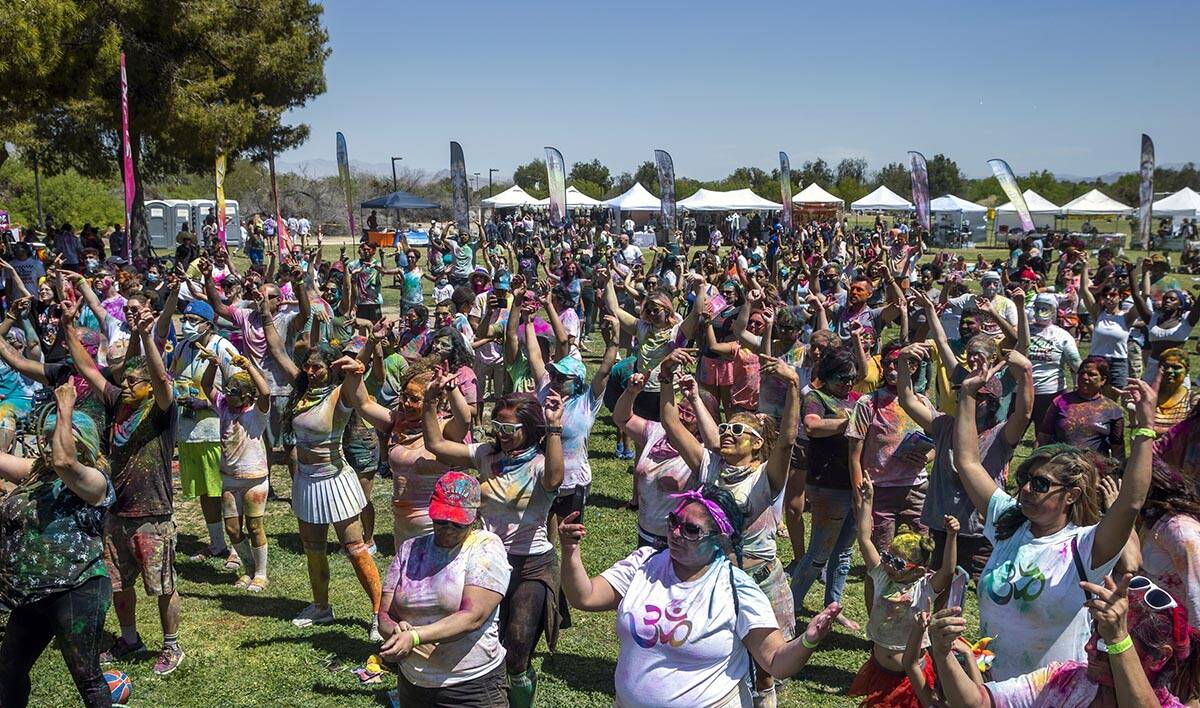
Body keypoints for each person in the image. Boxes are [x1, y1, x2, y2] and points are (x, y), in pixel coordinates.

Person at [954, 361, 1156, 680]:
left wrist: (1145, 428)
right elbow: (967, 462)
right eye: (1026, 479)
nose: (1026, 490)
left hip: (1057, 692)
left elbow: (1131, 502)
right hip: (993, 688)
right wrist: (965, 395)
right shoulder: (1010, 522)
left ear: (1072, 495)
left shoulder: (1087, 546)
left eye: (1041, 484)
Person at [558, 483, 842, 708]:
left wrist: (808, 639)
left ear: (719, 539)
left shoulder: (736, 589)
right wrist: (570, 551)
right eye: (673, 521)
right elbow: (586, 597)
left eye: (691, 529)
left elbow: (777, 661)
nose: (677, 532)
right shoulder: (645, 564)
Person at [658, 347, 803, 705]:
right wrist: (665, 380)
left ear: (756, 445)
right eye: (724, 427)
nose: (727, 433)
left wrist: (794, 388)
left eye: (737, 430)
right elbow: (671, 425)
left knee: (766, 668)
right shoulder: (710, 465)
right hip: (716, 576)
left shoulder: (764, 479)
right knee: (717, 652)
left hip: (760, 578)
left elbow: (786, 441)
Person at [423, 381, 565, 708]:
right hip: (486, 562)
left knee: (517, 653)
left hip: (531, 565)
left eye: (509, 428)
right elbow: (436, 444)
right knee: (478, 644)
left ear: (529, 429)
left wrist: (555, 427)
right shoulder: (487, 455)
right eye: (497, 425)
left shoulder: (541, 463)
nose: (501, 433)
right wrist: (431, 404)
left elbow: (555, 480)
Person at [66, 307, 185, 675]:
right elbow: (86, 367)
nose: (128, 386)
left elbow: (163, 382)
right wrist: (67, 322)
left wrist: (147, 336)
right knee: (119, 585)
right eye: (127, 380)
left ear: (150, 384)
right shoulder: (119, 402)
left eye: (137, 381)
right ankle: (130, 639)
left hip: (153, 513)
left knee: (163, 585)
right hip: (117, 512)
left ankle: (172, 646)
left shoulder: (161, 410)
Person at [0, 383, 114, 707]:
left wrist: (65, 408)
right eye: (47, 442)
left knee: (88, 679)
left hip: (77, 589)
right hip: (32, 593)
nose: (50, 450)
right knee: (8, 669)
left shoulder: (94, 480)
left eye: (57, 440)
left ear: (83, 444)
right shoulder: (39, 473)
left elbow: (66, 463)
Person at [929, 573, 1200, 707]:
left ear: (1158, 657)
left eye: (1107, 644)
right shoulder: (1066, 680)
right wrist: (943, 656)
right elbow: (977, 703)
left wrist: (1118, 637)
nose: (1089, 647)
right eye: (1095, 632)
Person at [378, 471, 512, 707]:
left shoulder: (485, 546)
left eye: (457, 523)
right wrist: (395, 632)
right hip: (414, 684)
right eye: (441, 520)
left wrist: (415, 636)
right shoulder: (410, 550)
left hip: (471, 686)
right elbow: (384, 615)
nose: (448, 528)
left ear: (474, 517)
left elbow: (472, 617)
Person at [848, 474, 966, 707]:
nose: (890, 565)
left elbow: (948, 570)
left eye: (899, 564)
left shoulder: (924, 588)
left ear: (918, 571)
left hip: (911, 675)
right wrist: (868, 502)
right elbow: (864, 539)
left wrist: (952, 536)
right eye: (889, 557)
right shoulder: (882, 575)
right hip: (880, 667)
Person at [198, 348, 273, 592]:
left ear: (248, 397)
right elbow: (207, 384)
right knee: (232, 528)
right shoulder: (223, 408)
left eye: (234, 393)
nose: (227, 396)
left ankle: (261, 574)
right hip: (230, 478)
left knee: (254, 526)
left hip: (253, 478)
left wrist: (249, 366)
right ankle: (248, 568)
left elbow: (266, 392)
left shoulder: (257, 414)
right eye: (227, 391)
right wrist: (214, 363)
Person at [1037, 356, 1125, 463]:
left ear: (1103, 380)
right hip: (1060, 465)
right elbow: (1044, 436)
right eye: (1082, 373)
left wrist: (1118, 472)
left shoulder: (1112, 409)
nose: (1085, 377)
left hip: (1094, 470)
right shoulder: (1061, 401)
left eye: (1092, 374)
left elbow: (1118, 448)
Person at [1027, 293, 1082, 427]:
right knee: (1009, 438)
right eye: (1038, 307)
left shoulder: (1062, 335)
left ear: (1054, 310)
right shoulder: (1024, 331)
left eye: (1046, 308)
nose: (1041, 312)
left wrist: (1079, 386)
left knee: (1048, 436)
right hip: (1023, 393)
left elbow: (1075, 363)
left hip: (1052, 393)